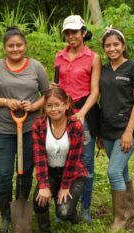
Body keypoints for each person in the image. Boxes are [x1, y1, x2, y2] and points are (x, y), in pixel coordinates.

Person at [0, 26, 50, 232]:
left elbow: (47, 93)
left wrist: (34, 106)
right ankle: (6, 218)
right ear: (5, 47)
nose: (15, 49)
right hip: (2, 130)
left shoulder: (36, 67)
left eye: (19, 45)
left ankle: (21, 211)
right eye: (11, 45)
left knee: (26, 171)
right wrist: (6, 102)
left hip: (30, 129)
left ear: (25, 46)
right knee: (3, 174)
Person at [52, 15, 101, 222]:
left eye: (75, 32)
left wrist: (81, 113)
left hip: (84, 112)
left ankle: (85, 208)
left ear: (83, 33)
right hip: (62, 113)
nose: (71, 36)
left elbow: (95, 90)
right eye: (68, 32)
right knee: (61, 157)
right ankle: (63, 206)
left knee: (86, 161)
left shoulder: (93, 57)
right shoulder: (59, 56)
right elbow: (57, 85)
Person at [97, 26, 134, 232]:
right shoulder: (103, 70)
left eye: (116, 44)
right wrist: (98, 132)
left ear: (123, 46)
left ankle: (120, 217)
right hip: (106, 129)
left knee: (113, 171)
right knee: (122, 170)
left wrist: (129, 131)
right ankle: (130, 209)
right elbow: (99, 98)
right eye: (108, 45)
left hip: (127, 129)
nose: (112, 48)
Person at [32, 87, 87, 232]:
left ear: (66, 105)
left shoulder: (75, 126)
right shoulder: (39, 125)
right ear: (44, 107)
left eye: (57, 104)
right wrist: (43, 185)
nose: (53, 109)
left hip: (74, 174)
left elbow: (74, 160)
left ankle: (74, 215)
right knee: (39, 202)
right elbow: (39, 157)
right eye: (49, 105)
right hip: (50, 172)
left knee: (63, 212)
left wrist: (65, 185)